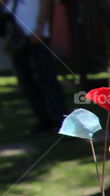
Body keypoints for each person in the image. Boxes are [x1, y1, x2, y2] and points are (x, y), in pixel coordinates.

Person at [3, 0, 67, 134]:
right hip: (17, 34)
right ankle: (44, 120)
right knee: (26, 80)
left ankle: (61, 121)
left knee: (47, 78)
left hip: (36, 33)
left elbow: (46, 3)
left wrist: (40, 27)